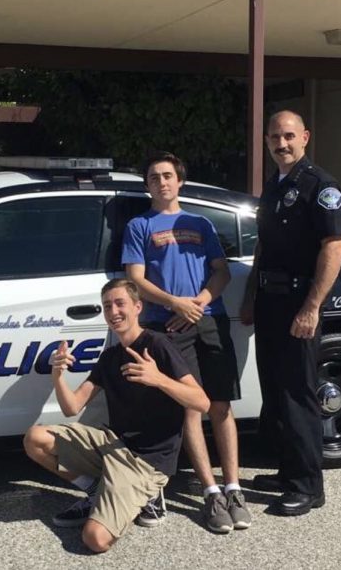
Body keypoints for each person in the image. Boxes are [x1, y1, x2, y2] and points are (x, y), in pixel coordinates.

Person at [23, 278, 209, 553]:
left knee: (95, 539)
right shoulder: (110, 356)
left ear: (137, 307)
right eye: (107, 306)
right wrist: (58, 376)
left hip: (146, 462)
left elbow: (202, 402)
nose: (113, 312)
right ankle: (97, 490)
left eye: (120, 303)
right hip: (114, 446)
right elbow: (72, 407)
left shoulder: (157, 345)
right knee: (35, 438)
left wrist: (158, 379)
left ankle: (148, 493)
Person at [122, 152, 250, 534]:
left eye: (167, 176)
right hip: (167, 327)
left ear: (180, 182)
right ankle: (210, 493)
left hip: (209, 320)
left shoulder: (200, 223)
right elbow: (135, 280)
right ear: (147, 185)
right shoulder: (138, 225)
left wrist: (198, 304)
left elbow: (221, 272)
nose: (161, 182)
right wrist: (175, 304)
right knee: (191, 409)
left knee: (221, 406)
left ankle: (233, 487)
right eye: (154, 177)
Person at [241, 110, 341, 516]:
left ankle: (308, 485)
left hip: (299, 302)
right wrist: (251, 296)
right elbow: (264, 248)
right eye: (274, 137)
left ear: (305, 136)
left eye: (288, 136)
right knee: (275, 390)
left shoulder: (321, 187)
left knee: (299, 393)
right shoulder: (274, 186)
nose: (280, 144)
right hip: (271, 300)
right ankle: (288, 471)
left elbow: (334, 246)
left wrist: (312, 308)